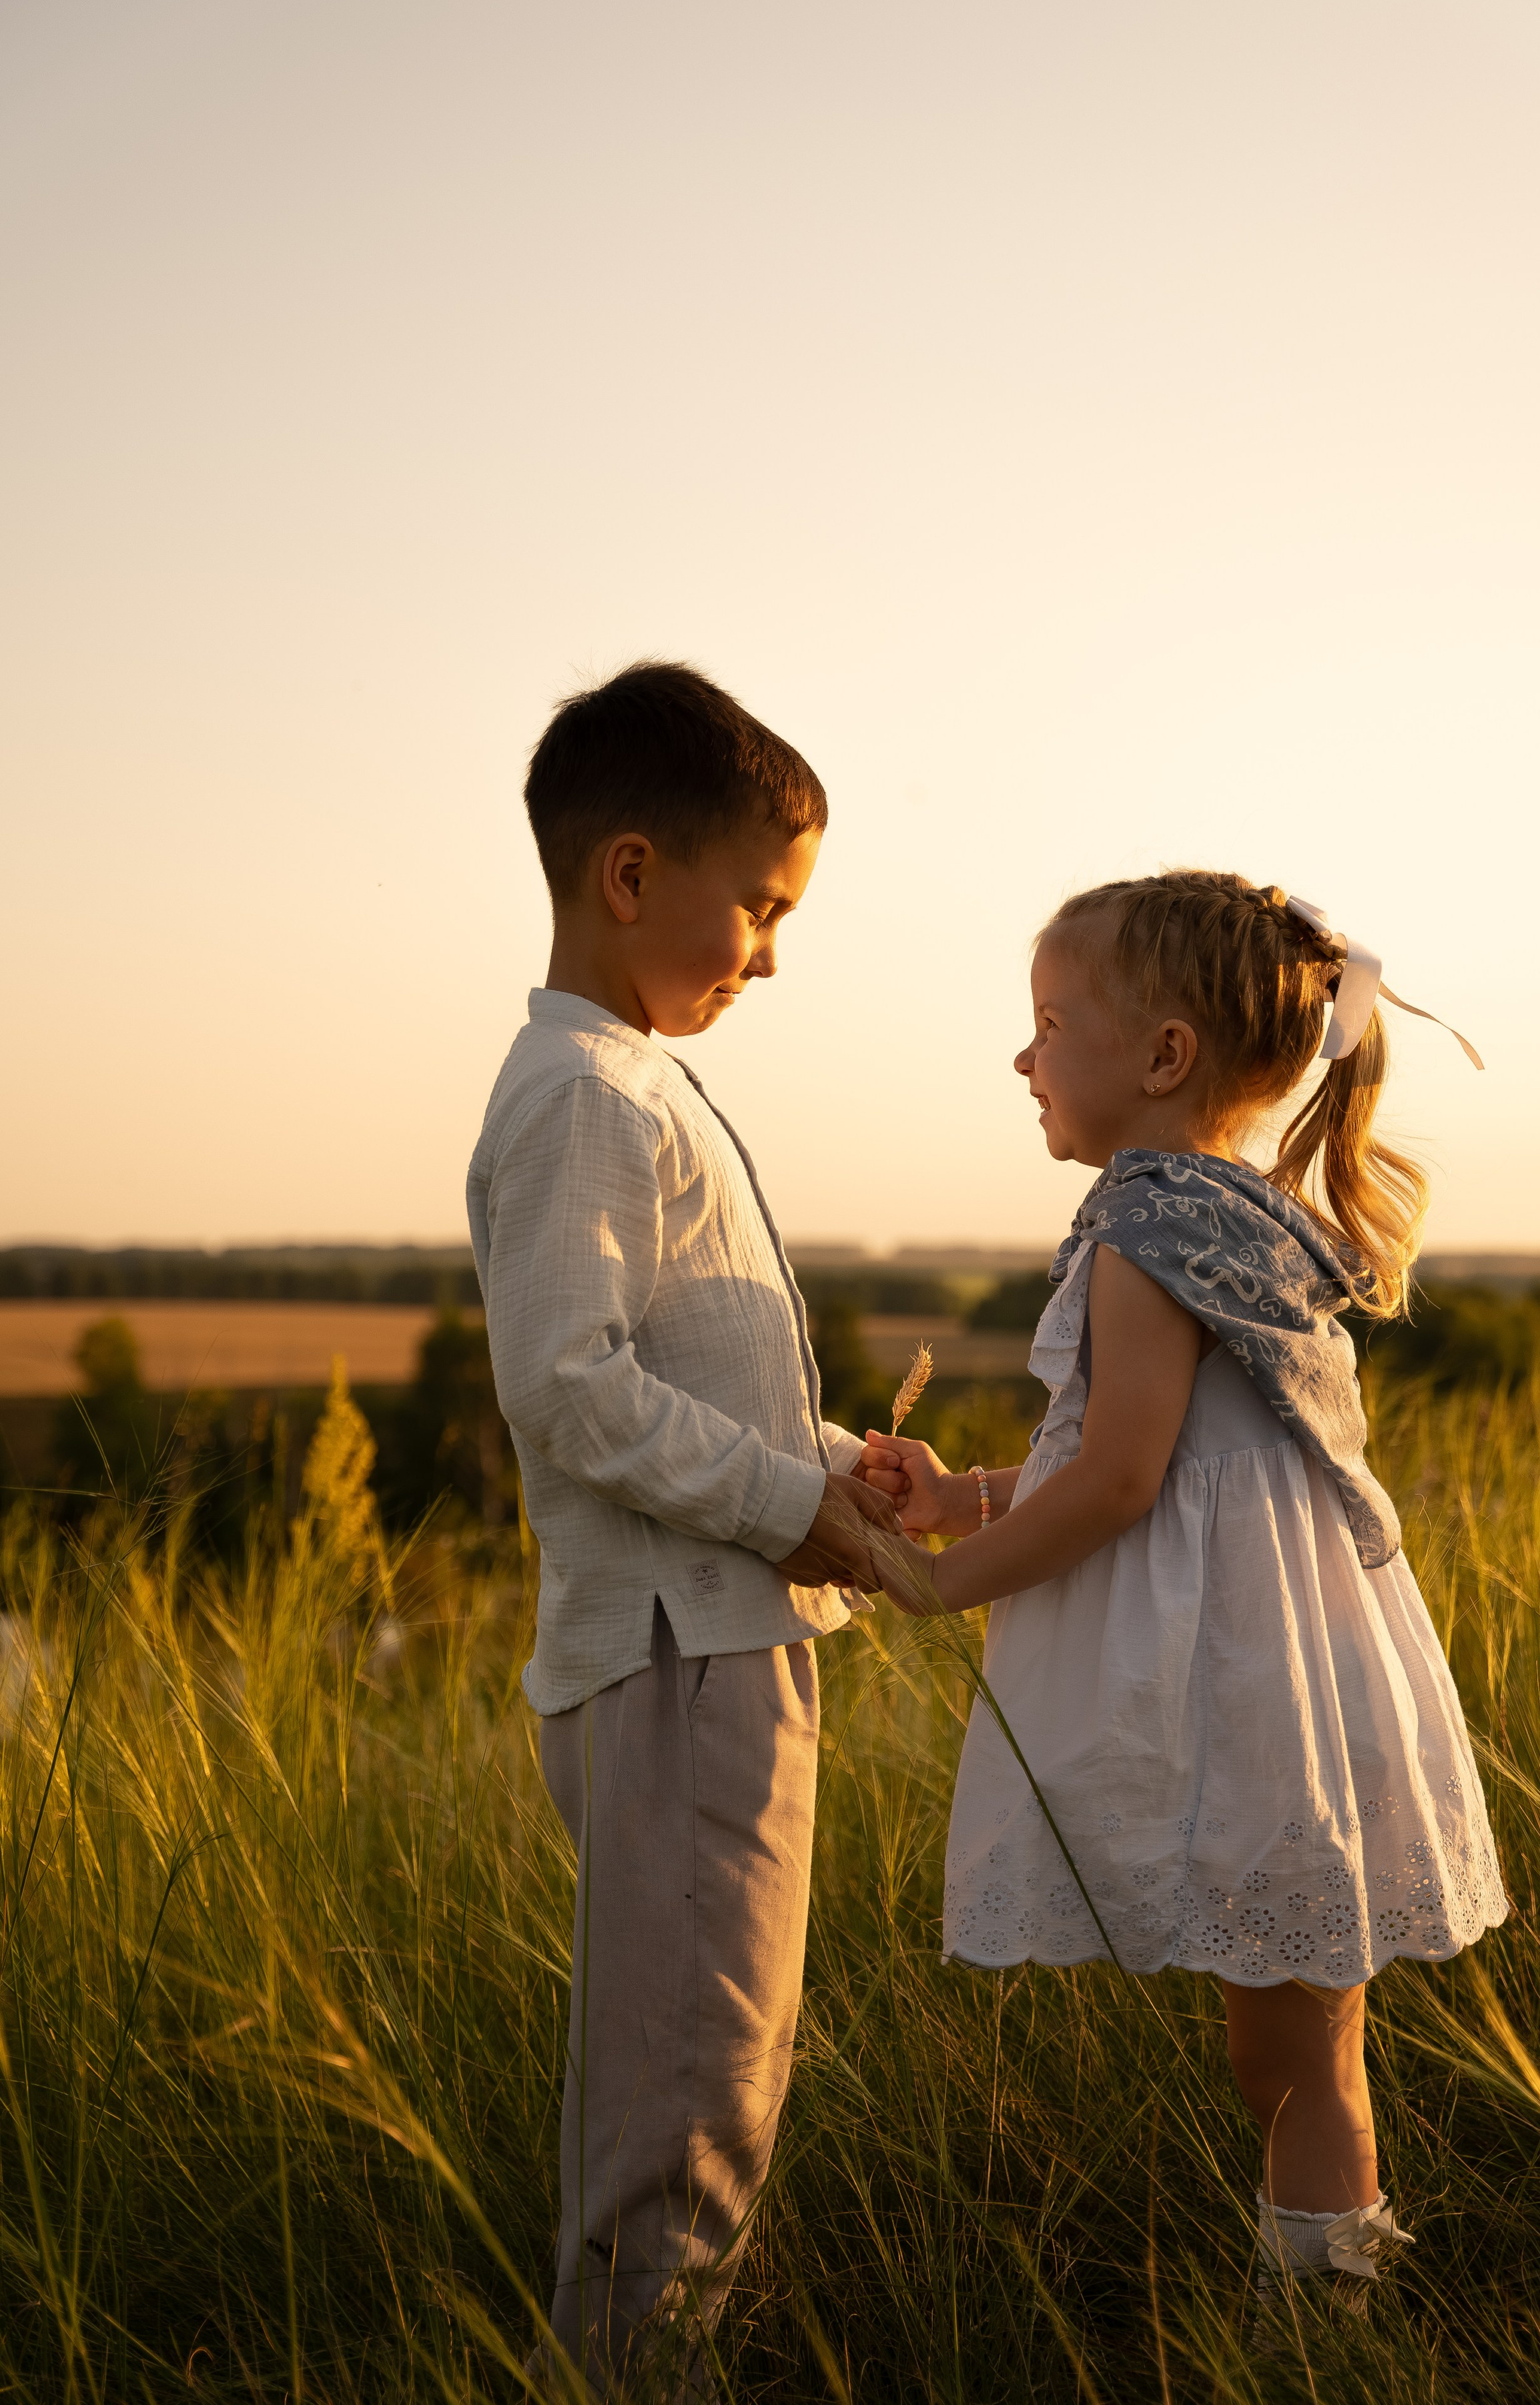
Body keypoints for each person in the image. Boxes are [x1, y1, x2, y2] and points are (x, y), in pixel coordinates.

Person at [858, 871, 1507, 2295]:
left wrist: (937, 1580)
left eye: (1045, 1025)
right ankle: (1339, 2287)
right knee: (1297, 2047)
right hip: (1285, 1667)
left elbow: (1120, 1482)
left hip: (1239, 1683)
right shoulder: (1233, 1219)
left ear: (1161, 1058)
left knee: (1284, 2058)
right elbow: (1156, 1457)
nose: (1020, 1059)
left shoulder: (1144, 1226)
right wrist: (964, 1489)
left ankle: (1331, 2316)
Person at [467, 662, 900, 2396]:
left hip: (719, 1652)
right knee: (683, 2104)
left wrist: (844, 1466)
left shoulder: (629, 1079)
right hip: (676, 1670)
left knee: (718, 2068)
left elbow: (673, 1370)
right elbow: (569, 1389)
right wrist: (798, 1503)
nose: (773, 955)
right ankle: (644, 2374)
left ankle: (671, 2354)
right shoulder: (582, 1091)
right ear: (630, 876)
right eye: (761, 909)